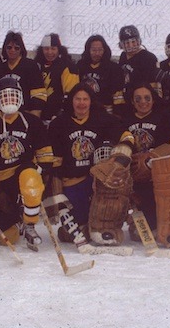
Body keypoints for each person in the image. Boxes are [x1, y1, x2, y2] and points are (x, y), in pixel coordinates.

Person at [0, 77, 56, 250]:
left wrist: (38, 175)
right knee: (9, 238)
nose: (9, 101)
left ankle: (29, 225)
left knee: (30, 176)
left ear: (20, 98)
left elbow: (46, 156)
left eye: (13, 96)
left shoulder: (32, 122)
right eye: (4, 97)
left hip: (22, 175)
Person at [48, 82, 134, 244]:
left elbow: (127, 136)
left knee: (109, 195)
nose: (81, 103)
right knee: (81, 230)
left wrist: (123, 153)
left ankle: (107, 227)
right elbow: (55, 162)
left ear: (91, 101)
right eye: (78, 99)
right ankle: (76, 228)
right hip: (72, 183)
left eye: (85, 99)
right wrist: (57, 192)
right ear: (71, 101)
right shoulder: (59, 124)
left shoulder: (104, 119)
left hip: (96, 181)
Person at [119, 82, 170, 231]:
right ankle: (129, 216)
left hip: (160, 176)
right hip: (134, 175)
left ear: (153, 99)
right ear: (132, 101)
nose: (143, 102)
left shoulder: (167, 116)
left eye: (147, 98)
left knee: (158, 223)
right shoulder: (124, 119)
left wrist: (154, 157)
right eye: (138, 99)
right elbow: (121, 142)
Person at [0, 30, 46, 117]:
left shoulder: (31, 66)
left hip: (25, 113)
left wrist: (34, 116)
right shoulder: (0, 67)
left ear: (21, 49)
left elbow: (39, 94)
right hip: (5, 113)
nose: (12, 50)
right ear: (4, 48)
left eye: (16, 48)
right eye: (9, 47)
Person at [35, 33, 79, 122]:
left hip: (57, 115)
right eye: (46, 49)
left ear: (59, 49)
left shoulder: (67, 66)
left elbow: (71, 94)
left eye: (53, 49)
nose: (50, 52)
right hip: (38, 112)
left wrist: (62, 114)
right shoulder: (36, 64)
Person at [76, 34, 124, 115]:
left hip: (105, 111)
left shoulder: (113, 68)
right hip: (84, 109)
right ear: (88, 50)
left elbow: (118, 95)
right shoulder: (81, 65)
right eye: (94, 50)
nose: (97, 53)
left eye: (100, 50)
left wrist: (117, 114)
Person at [116, 25, 158, 117]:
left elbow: (152, 86)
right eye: (127, 43)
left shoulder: (148, 57)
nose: (131, 45)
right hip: (128, 100)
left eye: (133, 41)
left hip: (142, 102)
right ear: (121, 44)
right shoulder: (123, 56)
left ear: (139, 41)